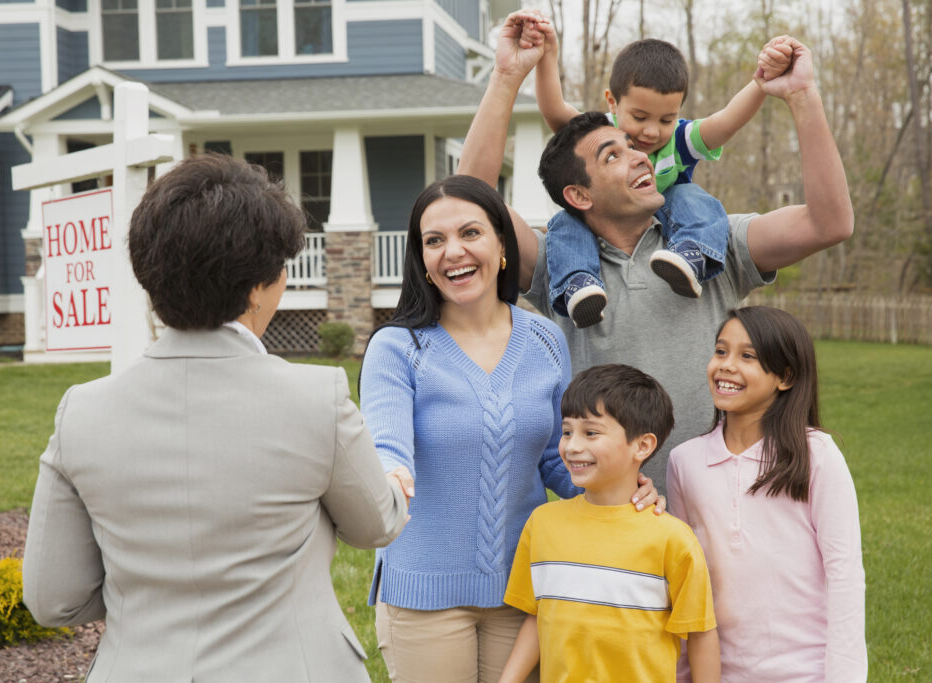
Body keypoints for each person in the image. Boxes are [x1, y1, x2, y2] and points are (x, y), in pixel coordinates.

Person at [21, 154, 409, 682]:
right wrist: (394, 481)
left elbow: (53, 599)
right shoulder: (315, 397)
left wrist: (148, 600)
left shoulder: (82, 411)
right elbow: (376, 524)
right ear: (256, 286)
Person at [458, 12, 854, 494]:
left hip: (718, 503)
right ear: (578, 195)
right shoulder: (556, 264)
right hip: (613, 513)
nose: (642, 152)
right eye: (613, 154)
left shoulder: (715, 243)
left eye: (636, 147)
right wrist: (506, 75)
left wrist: (801, 95)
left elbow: (829, 222)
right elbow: (470, 196)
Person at [359, 174, 661, 683]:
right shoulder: (398, 348)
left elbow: (555, 456)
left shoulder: (545, 338)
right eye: (434, 241)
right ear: (422, 260)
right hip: (424, 592)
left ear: (501, 243)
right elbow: (388, 445)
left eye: (469, 233)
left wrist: (622, 488)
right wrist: (390, 475)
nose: (453, 252)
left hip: (522, 589)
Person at [536, 31, 792, 326]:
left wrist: (761, 83)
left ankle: (691, 254)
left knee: (692, 198)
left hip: (669, 216)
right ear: (612, 103)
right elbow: (555, 111)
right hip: (609, 220)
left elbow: (727, 120)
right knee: (565, 224)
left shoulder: (681, 139)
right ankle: (578, 284)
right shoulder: (602, 133)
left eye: (666, 120)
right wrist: (547, 56)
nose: (651, 132)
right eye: (640, 117)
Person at [667, 306, 867, 681]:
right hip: (717, 672)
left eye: (748, 356)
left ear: (785, 377)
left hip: (805, 672)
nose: (726, 365)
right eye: (721, 351)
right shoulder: (684, 462)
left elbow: (845, 574)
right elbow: (684, 583)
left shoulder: (816, 455)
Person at [499, 364, 719, 683]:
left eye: (591, 432)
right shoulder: (543, 523)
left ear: (642, 446)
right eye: (567, 431)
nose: (572, 446)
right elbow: (536, 618)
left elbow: (700, 634)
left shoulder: (672, 539)